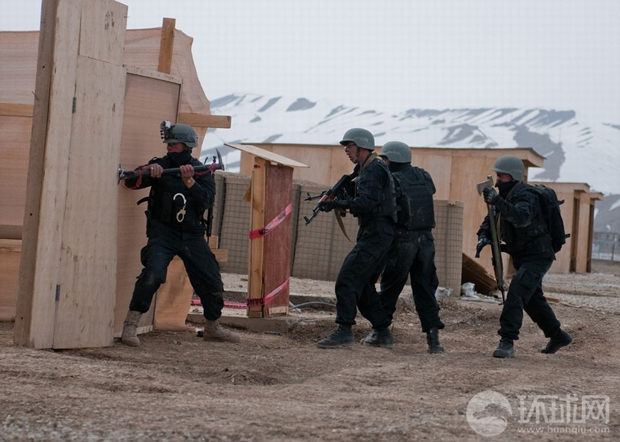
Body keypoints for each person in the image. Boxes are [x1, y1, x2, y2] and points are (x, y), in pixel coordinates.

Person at [120, 122, 239, 346]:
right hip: (163, 233)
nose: (169, 147)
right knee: (152, 275)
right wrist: (149, 171)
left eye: (174, 144)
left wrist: (189, 181)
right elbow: (131, 181)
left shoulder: (201, 171)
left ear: (186, 145)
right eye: (168, 144)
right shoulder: (160, 166)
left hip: (192, 235)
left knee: (211, 280)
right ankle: (130, 325)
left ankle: (212, 327)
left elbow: (206, 201)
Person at [476, 155, 572, 358]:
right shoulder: (505, 196)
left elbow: (521, 218)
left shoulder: (526, 195)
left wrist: (497, 200)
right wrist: (483, 236)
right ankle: (558, 336)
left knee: (517, 292)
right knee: (532, 300)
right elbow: (491, 220)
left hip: (539, 255)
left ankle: (507, 341)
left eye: (502, 176)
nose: (498, 180)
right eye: (497, 175)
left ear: (513, 176)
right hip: (522, 256)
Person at [316, 128, 397, 348]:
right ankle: (382, 331)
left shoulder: (373, 169)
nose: (346, 150)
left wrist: (337, 203)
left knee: (347, 279)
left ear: (362, 146)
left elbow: (367, 203)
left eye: (349, 146)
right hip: (376, 232)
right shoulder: (366, 169)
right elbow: (363, 196)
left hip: (377, 233)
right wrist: (338, 196)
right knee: (363, 285)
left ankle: (344, 331)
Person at [375, 141, 445, 353]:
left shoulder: (392, 179)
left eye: (384, 159)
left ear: (391, 160)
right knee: (425, 289)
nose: (383, 163)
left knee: (390, 287)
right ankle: (434, 341)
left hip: (402, 239)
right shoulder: (424, 176)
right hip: (426, 240)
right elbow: (430, 191)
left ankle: (380, 332)